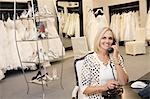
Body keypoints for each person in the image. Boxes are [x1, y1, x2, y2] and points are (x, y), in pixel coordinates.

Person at [80, 27, 129, 99]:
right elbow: (84, 89)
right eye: (104, 38)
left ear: (113, 42)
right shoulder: (90, 59)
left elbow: (123, 82)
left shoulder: (116, 57)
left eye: (110, 38)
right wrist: (105, 87)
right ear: (98, 39)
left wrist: (115, 60)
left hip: (115, 96)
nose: (107, 41)